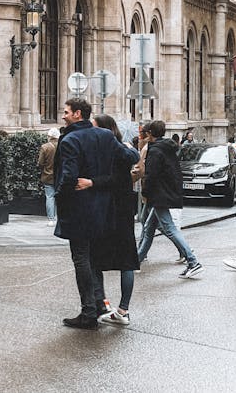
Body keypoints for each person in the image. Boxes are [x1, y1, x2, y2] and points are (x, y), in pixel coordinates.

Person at [54, 98, 139, 331]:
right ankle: (99, 306)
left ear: (77, 114)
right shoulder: (105, 135)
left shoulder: (70, 139)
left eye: (66, 112)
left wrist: (59, 198)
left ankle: (88, 312)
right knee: (93, 259)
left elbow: (68, 176)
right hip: (103, 209)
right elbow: (131, 158)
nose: (63, 116)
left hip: (79, 209)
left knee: (81, 259)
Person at [76, 114, 139, 326]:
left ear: (104, 130)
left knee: (97, 258)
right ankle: (116, 308)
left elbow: (115, 180)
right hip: (120, 211)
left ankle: (111, 306)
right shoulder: (123, 149)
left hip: (111, 212)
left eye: (95, 128)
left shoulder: (113, 152)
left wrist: (91, 182)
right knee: (122, 260)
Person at [137, 120, 203, 278]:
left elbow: (151, 175)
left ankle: (193, 261)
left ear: (150, 133)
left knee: (169, 228)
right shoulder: (167, 147)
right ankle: (136, 260)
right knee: (148, 228)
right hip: (164, 193)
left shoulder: (156, 150)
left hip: (160, 194)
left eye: (145, 133)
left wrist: (145, 192)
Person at [38, 127, 60, 225]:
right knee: (60, 197)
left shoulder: (45, 147)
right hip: (60, 175)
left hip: (48, 175)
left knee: (50, 197)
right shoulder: (63, 145)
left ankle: (51, 219)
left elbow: (40, 162)